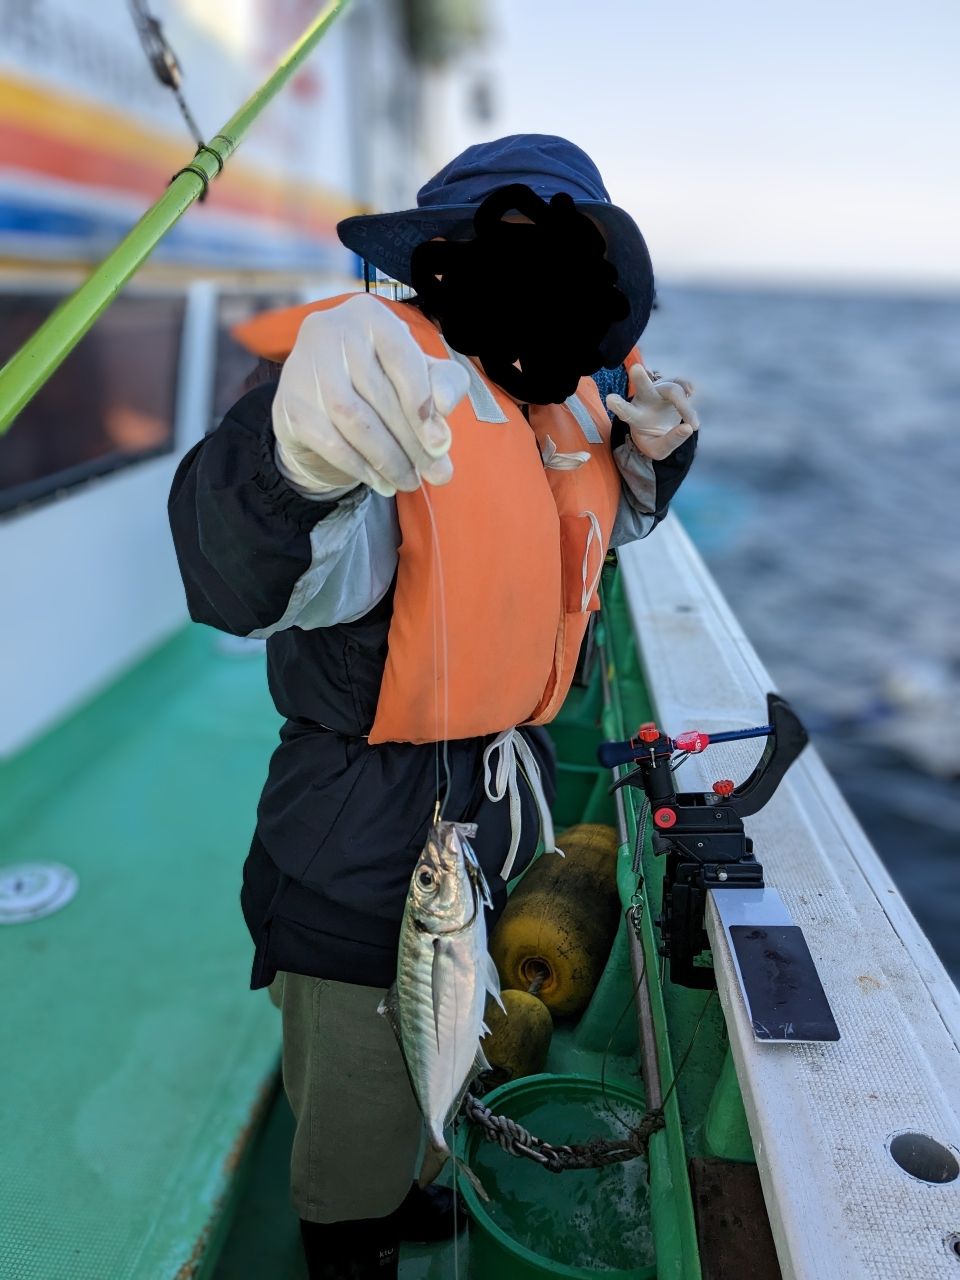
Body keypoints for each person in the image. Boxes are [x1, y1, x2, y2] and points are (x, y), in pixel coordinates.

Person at [168, 134, 698, 1279]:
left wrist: (659, 463)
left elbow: (576, 543)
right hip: (362, 845)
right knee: (357, 1106)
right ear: (437, 263)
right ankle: (347, 1239)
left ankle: (412, 1183)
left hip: (489, 828)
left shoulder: (559, 412)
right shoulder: (383, 399)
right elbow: (250, 578)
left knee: (441, 1070)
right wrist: (287, 456)